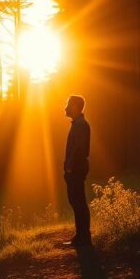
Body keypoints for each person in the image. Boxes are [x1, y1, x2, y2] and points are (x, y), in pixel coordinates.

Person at [63, 95, 92, 248]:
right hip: (75, 168)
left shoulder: (80, 125)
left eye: (68, 104)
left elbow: (79, 149)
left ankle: (83, 236)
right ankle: (80, 235)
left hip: (76, 169)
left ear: (75, 106)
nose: (65, 107)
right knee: (76, 201)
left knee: (78, 202)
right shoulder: (78, 124)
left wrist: (70, 167)